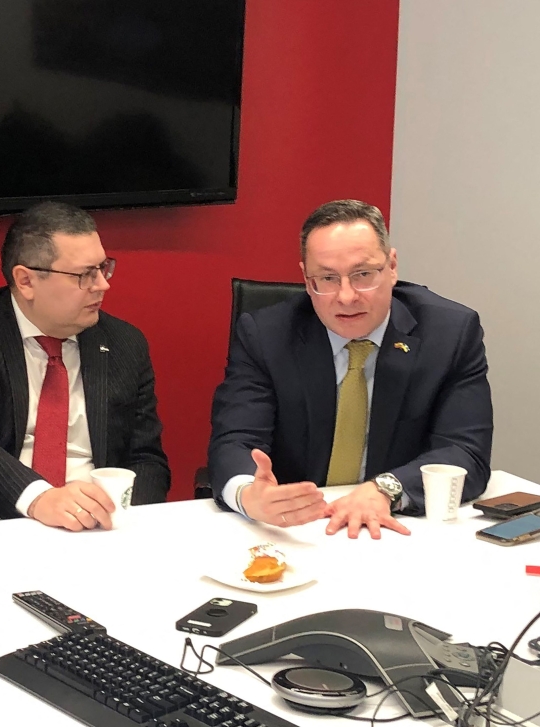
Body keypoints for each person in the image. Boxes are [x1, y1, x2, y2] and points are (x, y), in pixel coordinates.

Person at [207, 199, 492, 539]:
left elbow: (466, 452)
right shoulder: (266, 336)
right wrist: (248, 495)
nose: (345, 296)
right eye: (326, 278)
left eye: (363, 275)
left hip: (397, 528)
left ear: (392, 265)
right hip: (297, 532)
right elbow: (235, 441)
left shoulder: (450, 334)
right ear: (305, 277)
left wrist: (387, 489)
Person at [0, 201, 170, 530]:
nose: (103, 284)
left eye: (103, 268)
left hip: (96, 528)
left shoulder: (125, 343)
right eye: (85, 274)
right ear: (26, 281)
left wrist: (122, 522)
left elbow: (146, 460)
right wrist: (40, 498)